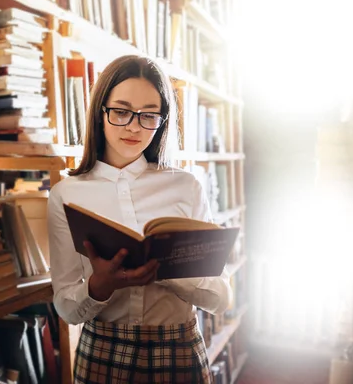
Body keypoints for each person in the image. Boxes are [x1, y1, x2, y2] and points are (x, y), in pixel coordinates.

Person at [47, 55, 232, 384]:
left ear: (162, 121)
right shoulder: (66, 194)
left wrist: (173, 273)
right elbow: (65, 308)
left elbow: (221, 299)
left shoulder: (186, 187)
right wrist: (98, 288)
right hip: (102, 348)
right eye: (121, 111)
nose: (134, 126)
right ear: (100, 112)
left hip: (178, 345)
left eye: (149, 116)